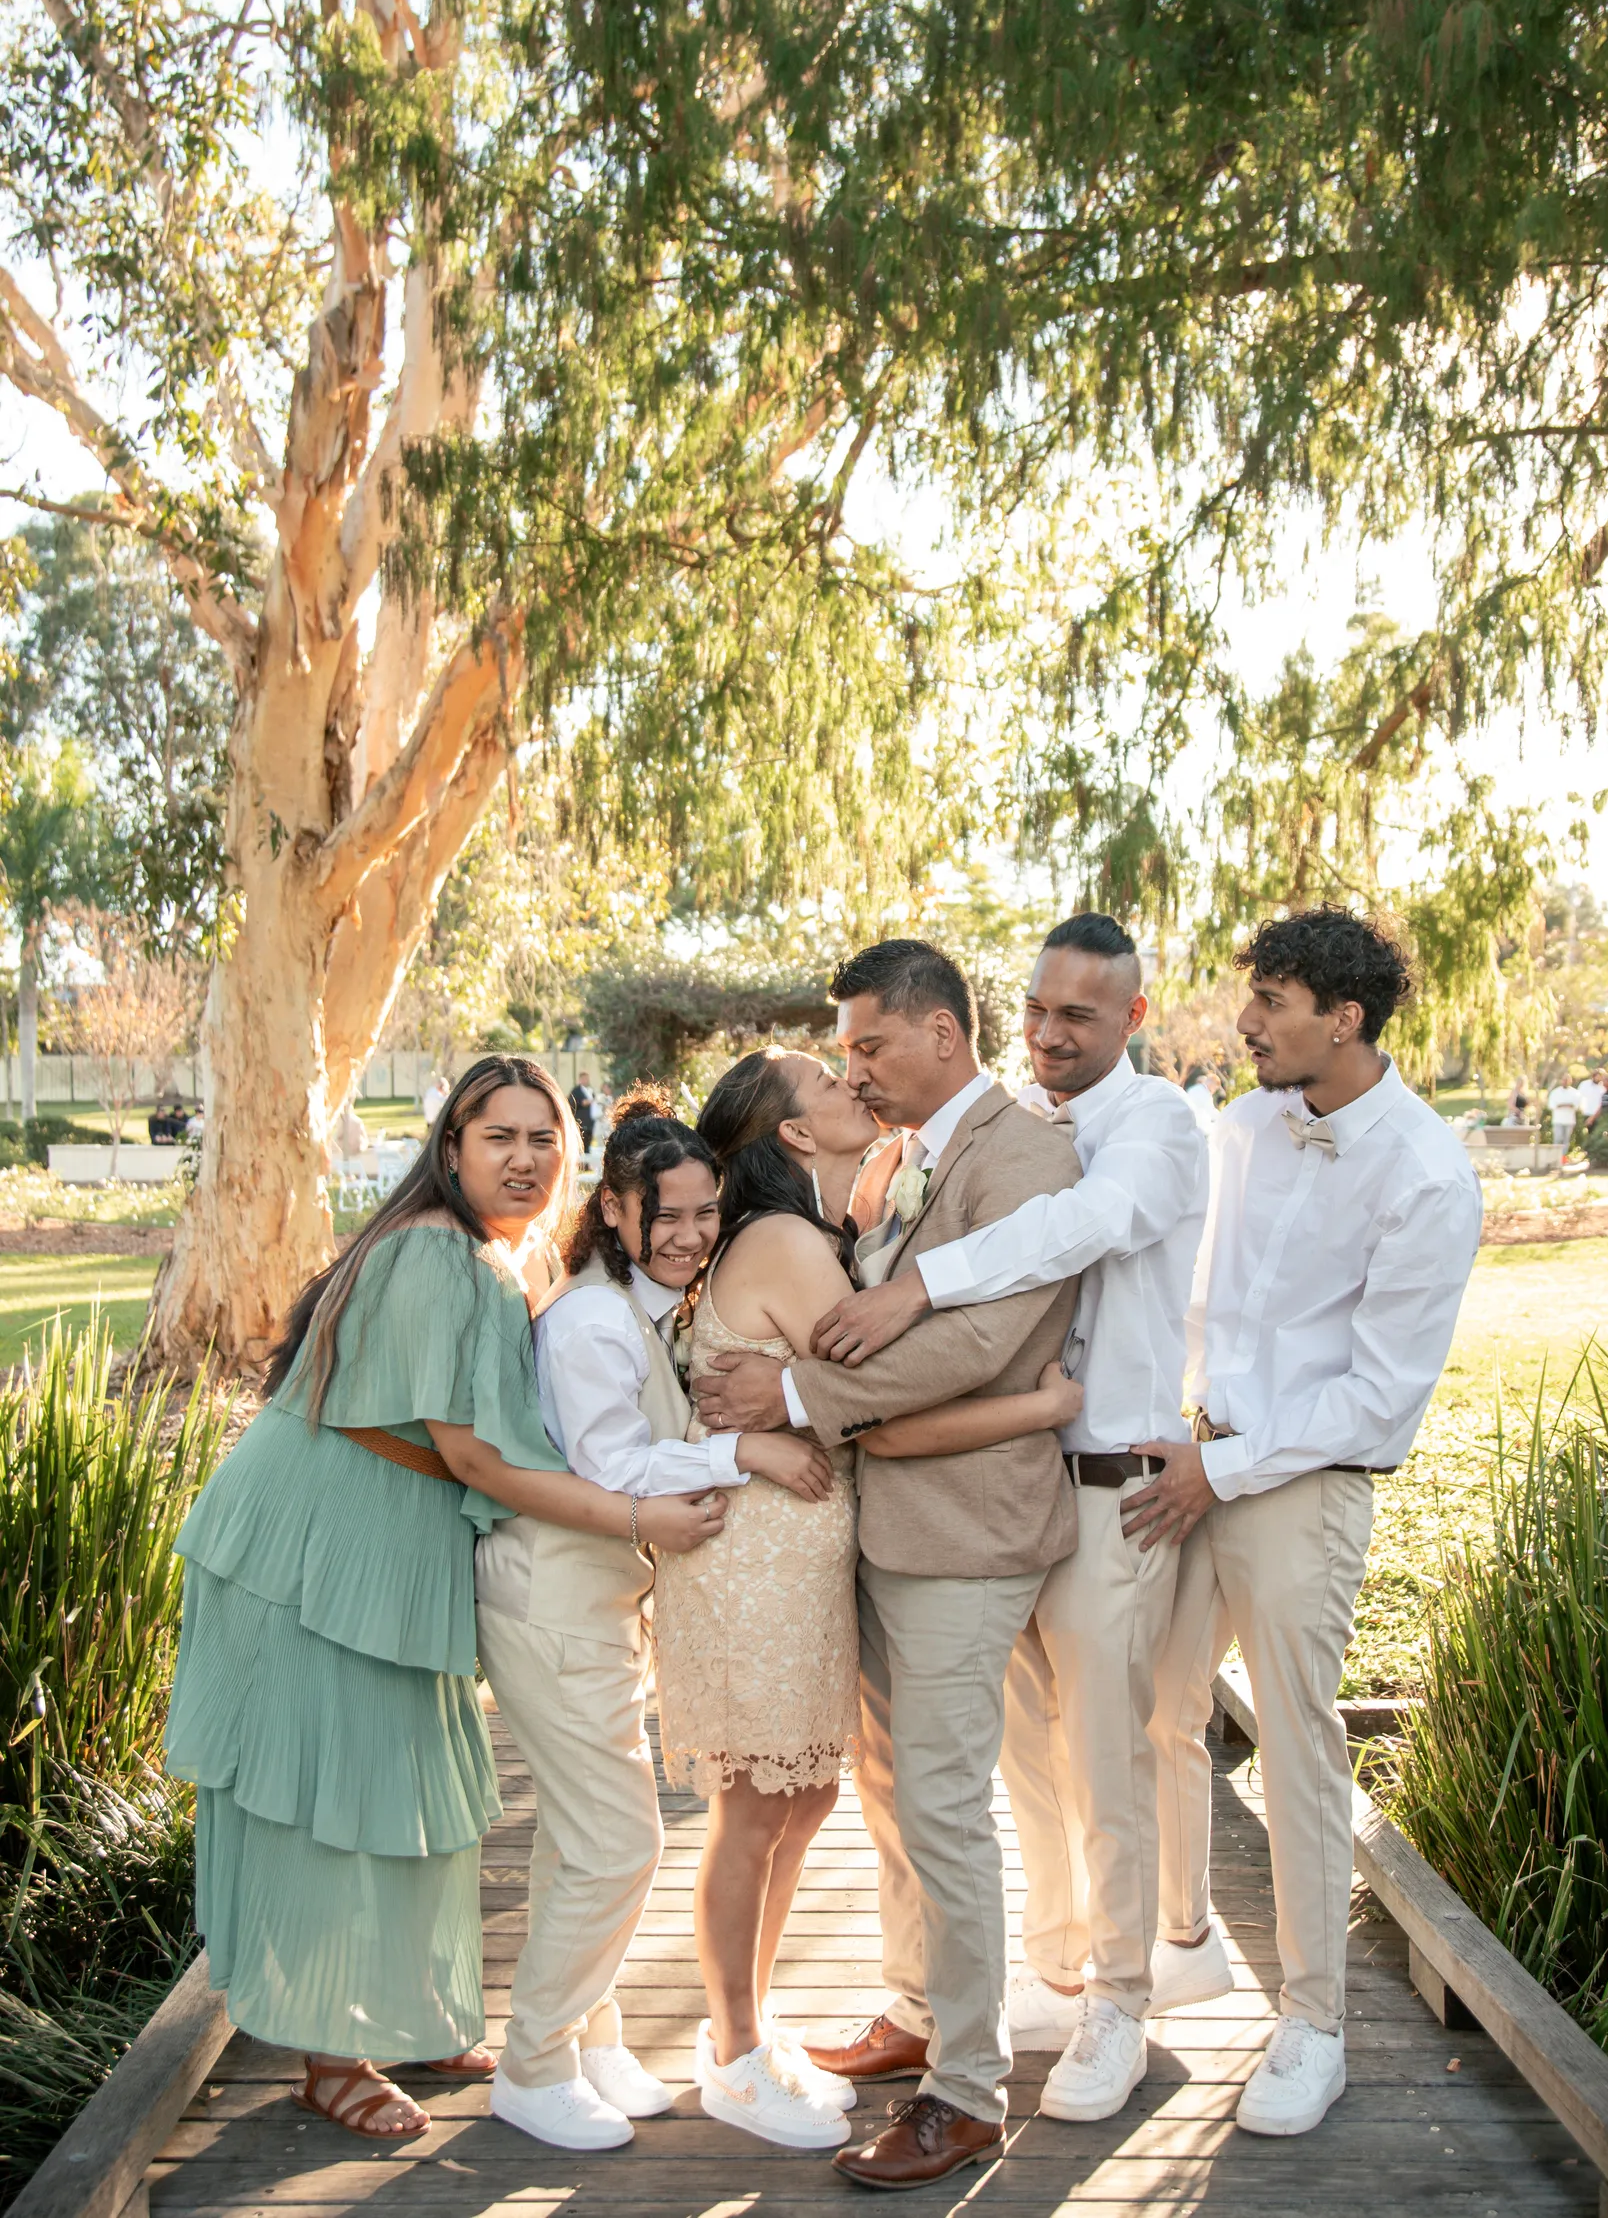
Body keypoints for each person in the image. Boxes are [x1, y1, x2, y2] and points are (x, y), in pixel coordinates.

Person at [164, 1057, 723, 2143]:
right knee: (341, 1793)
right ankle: (331, 2058)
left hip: (385, 1539)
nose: (523, 1159)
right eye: (497, 1137)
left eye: (542, 1139)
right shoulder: (435, 1257)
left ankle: (402, 2008)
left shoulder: (493, 1258)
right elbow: (472, 1458)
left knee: (411, 1787)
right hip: (318, 1545)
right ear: (451, 1149)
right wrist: (637, 1521)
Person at [804, 915, 1210, 2118]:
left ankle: (1123, 2002)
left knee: (1106, 1760)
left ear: (1132, 1019)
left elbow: (1076, 1231)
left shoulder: (1154, 1128)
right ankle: (1046, 1969)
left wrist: (925, 1281)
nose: (1045, 1034)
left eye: (1077, 1016)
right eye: (1035, 1009)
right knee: (1026, 1767)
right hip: (1007, 1487)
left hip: (1106, 1488)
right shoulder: (1013, 1130)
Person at [694, 940, 1081, 2190]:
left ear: (942, 1035)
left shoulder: (1023, 1156)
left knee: (944, 1808)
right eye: (843, 1052)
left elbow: (979, 1344)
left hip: (966, 1532)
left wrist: (798, 1391)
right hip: (876, 1528)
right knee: (888, 1793)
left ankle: (967, 2091)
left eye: (867, 1043)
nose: (855, 1067)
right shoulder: (904, 1158)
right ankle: (917, 2009)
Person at [1126, 909, 1481, 2139]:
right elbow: (1194, 1298)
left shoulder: (1428, 1172)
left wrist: (1221, 1473)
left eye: (1270, 999)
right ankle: (1180, 1937)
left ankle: (1314, 2020)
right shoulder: (1238, 1127)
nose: (1245, 1021)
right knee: (1152, 1703)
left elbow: (1377, 1396)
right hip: (1193, 1459)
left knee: (1292, 1739)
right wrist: (1172, 1433)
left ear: (1344, 1016)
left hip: (1303, 1482)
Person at [476, 1097, 822, 2155]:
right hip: (547, 1603)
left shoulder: (646, 1311)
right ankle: (531, 2063)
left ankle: (589, 2035)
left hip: (594, 1607)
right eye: (663, 1215)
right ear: (616, 1211)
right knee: (621, 1839)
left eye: (705, 1214)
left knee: (585, 1838)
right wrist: (748, 1453)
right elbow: (610, 1466)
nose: (688, 1234)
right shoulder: (588, 1321)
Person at [1548, 1076, 1580, 1158]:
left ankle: (1563, 1157)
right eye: (1564, 1080)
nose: (1565, 1082)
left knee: (1566, 1140)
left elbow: (1576, 1105)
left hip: (1569, 1120)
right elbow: (1552, 1105)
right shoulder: (1555, 1092)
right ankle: (1555, 1157)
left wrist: (1562, 1105)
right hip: (1558, 1120)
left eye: (1567, 1080)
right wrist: (1566, 1105)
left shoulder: (1574, 1092)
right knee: (1557, 1138)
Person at [569, 1075, 598, 1151]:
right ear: (580, 1079)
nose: (586, 1080)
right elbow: (572, 1102)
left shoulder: (590, 1090)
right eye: (584, 1079)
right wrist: (583, 1102)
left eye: (587, 1079)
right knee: (580, 1143)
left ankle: (586, 1162)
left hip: (590, 1122)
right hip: (581, 1121)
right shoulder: (576, 1091)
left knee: (588, 1144)